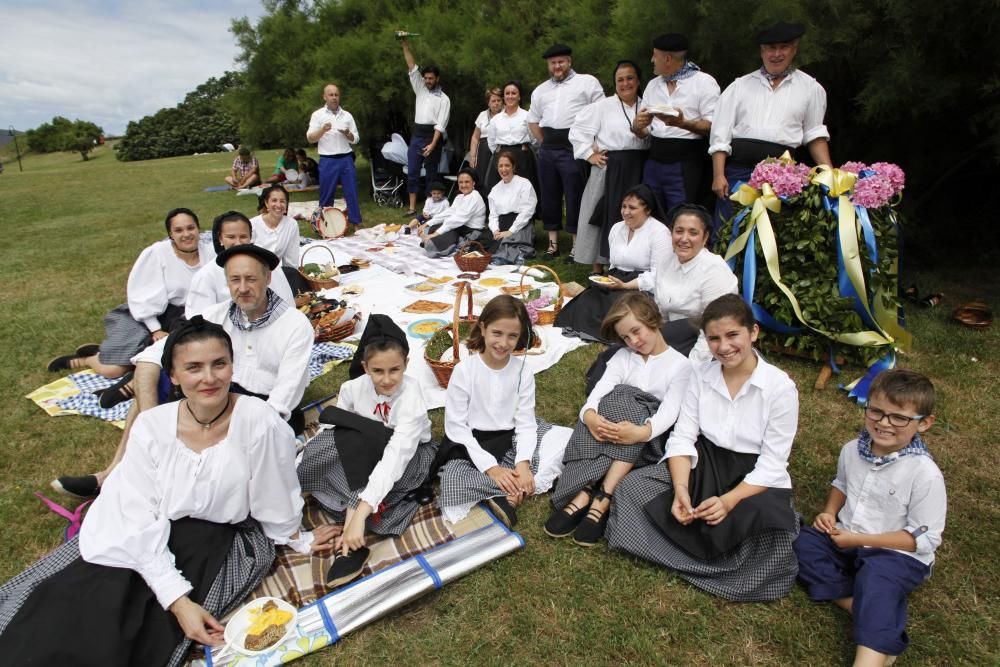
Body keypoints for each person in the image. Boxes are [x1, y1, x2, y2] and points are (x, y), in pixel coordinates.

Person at [2, 319, 338, 665]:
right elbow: (131, 509)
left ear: (232, 366)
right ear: (174, 376)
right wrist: (177, 599)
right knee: (66, 607)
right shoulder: (152, 426)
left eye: (218, 364)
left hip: (205, 545)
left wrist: (298, 539)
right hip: (135, 538)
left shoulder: (259, 420)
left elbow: (274, 492)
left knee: (125, 634)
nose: (209, 378)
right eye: (193, 367)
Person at [51, 244, 314, 500]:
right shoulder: (216, 315)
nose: (242, 288)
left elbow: (283, 400)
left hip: (262, 410)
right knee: (151, 381)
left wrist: (236, 432)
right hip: (217, 394)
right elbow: (152, 355)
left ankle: (142, 480)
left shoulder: (295, 325)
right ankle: (115, 472)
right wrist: (153, 423)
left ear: (268, 278)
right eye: (234, 279)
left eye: (250, 279)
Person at [607, 294, 801, 602]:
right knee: (632, 488)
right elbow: (683, 437)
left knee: (772, 535)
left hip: (751, 478)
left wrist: (728, 501)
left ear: (753, 332)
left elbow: (773, 463)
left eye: (732, 335)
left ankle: (688, 558)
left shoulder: (780, 388)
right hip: (704, 463)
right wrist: (681, 489)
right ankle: (707, 564)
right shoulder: (700, 375)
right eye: (714, 338)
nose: (723, 347)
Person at [794, 370, 944, 666]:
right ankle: (861, 607)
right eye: (876, 411)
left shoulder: (924, 474)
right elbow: (841, 484)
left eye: (899, 417)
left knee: (877, 578)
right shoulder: (853, 450)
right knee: (794, 540)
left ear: (924, 423)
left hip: (896, 554)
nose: (884, 423)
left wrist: (860, 539)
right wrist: (829, 512)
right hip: (846, 538)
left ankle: (870, 656)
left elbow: (923, 539)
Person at [298, 315, 438, 587]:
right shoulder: (351, 388)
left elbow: (396, 455)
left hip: (409, 457)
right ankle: (315, 503)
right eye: (377, 371)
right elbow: (333, 432)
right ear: (364, 367)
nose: (386, 380)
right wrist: (304, 460)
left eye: (394, 370)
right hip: (360, 452)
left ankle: (351, 533)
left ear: (406, 365)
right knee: (330, 445)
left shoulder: (411, 396)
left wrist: (360, 510)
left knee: (375, 454)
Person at [545, 293, 692, 547]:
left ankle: (602, 494)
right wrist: (590, 416)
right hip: (608, 433)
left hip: (645, 442)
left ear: (653, 320)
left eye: (637, 331)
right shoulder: (623, 357)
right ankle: (587, 490)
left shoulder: (680, 366)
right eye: (626, 337)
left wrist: (642, 432)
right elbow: (599, 392)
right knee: (613, 399)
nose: (633, 341)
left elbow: (669, 412)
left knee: (633, 403)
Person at [47, 208, 214, 380]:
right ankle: (87, 360)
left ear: (198, 229)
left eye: (190, 228)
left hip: (188, 319)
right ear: (170, 234)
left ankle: (104, 350)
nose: (186, 234)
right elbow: (143, 293)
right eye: (179, 230)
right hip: (152, 316)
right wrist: (155, 329)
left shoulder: (210, 252)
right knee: (114, 371)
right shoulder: (157, 253)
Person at [710, 22, 832, 234]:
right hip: (737, 174)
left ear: (794, 49)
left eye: (783, 47)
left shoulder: (811, 88)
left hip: (783, 177)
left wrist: (830, 174)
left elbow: (815, 135)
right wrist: (718, 175)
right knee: (727, 231)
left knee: (773, 237)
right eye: (770, 48)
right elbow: (720, 135)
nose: (776, 54)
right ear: (762, 51)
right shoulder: (739, 86)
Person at [435, 295, 545, 528]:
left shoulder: (524, 372)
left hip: (508, 437)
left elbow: (525, 423)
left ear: (520, 337)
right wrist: (491, 469)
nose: (503, 343)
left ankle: (511, 487)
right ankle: (512, 491)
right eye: (497, 333)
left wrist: (523, 463)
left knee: (551, 446)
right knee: (452, 481)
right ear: (483, 328)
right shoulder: (465, 371)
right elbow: (456, 427)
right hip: (470, 442)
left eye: (512, 336)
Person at [611, 204, 736, 360]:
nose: (684, 239)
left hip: (706, 339)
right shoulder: (667, 261)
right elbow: (660, 312)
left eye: (693, 233)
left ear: (705, 238)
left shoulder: (714, 270)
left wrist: (693, 367)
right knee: (620, 353)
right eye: (679, 231)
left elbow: (716, 326)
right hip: (674, 332)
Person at [554, 184, 669, 342]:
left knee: (617, 305)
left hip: (641, 285)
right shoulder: (616, 228)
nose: (626, 212)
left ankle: (605, 332)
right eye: (624, 206)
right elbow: (614, 264)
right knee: (588, 299)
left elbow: (659, 276)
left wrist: (625, 286)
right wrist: (607, 280)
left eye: (632, 208)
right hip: (615, 279)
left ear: (647, 210)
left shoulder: (660, 233)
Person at [571, 60, 651, 273]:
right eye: (620, 80)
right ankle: (598, 268)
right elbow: (578, 132)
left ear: (638, 80)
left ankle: (631, 266)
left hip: (639, 167)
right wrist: (590, 155)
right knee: (603, 214)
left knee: (636, 214)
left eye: (630, 78)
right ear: (614, 83)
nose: (625, 83)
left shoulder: (647, 106)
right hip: (609, 166)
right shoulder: (602, 107)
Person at [527, 44, 604, 258]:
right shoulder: (541, 90)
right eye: (553, 63)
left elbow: (601, 112)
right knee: (549, 195)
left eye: (561, 62)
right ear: (548, 65)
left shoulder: (587, 83)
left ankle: (575, 245)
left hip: (574, 148)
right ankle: (553, 244)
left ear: (569, 61)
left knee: (574, 196)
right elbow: (532, 120)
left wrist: (592, 144)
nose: (557, 66)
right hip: (548, 148)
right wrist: (544, 143)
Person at [632, 33, 719, 213]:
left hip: (684, 162)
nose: (651, 60)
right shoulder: (653, 85)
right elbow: (644, 131)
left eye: (655, 55)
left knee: (681, 213)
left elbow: (712, 127)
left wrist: (682, 123)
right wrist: (637, 127)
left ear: (668, 59)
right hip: (654, 160)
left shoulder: (703, 83)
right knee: (648, 210)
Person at [185, 211, 294, 318]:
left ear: (250, 237)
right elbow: (199, 318)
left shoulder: (265, 265)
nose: (238, 243)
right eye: (231, 237)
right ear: (220, 239)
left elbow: (286, 303)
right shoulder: (206, 276)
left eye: (243, 237)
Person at [400, 36, 451, 216]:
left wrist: (433, 144)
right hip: (417, 134)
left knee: (431, 174)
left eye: (431, 78)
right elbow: (412, 67)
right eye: (426, 78)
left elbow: (440, 125)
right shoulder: (420, 89)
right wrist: (405, 44)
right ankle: (412, 207)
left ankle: (431, 209)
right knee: (413, 170)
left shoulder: (444, 99)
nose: (427, 80)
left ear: (437, 78)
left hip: (433, 137)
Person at [306, 83, 363, 226]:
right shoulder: (318, 115)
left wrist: (348, 134)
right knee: (326, 193)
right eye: (331, 95)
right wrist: (322, 130)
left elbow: (356, 139)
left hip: (346, 158)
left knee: (351, 192)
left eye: (336, 95)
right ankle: (325, 225)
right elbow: (310, 138)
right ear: (324, 97)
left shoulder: (347, 116)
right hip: (327, 159)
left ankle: (356, 223)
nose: (334, 98)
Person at [485, 80, 539, 197]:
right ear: (503, 97)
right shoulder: (496, 119)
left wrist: (523, 149)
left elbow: (534, 139)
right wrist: (500, 153)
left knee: (524, 193)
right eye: (507, 93)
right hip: (501, 157)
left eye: (514, 93)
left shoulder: (527, 116)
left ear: (519, 96)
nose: (510, 96)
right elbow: (491, 143)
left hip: (523, 157)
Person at [420, 168, 489, 258]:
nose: (463, 185)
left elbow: (457, 220)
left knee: (443, 232)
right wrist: (427, 223)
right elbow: (448, 213)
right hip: (459, 228)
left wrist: (435, 234)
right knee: (432, 227)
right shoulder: (459, 197)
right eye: (461, 182)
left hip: (471, 233)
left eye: (467, 182)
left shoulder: (475, 197)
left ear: (473, 183)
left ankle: (454, 244)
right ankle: (438, 241)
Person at [485, 150, 538, 265]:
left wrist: (511, 231)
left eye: (507, 165)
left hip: (520, 225)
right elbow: (493, 215)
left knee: (507, 246)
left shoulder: (524, 184)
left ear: (513, 167)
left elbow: (527, 211)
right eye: (501, 166)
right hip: (501, 225)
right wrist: (495, 231)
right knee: (481, 245)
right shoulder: (495, 189)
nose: (503, 169)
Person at [250, 184, 300, 269]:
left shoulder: (291, 224)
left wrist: (291, 276)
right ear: (266, 203)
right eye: (274, 200)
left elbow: (291, 260)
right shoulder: (252, 224)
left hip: (275, 272)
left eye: (282, 201)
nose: (278, 205)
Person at [470, 87, 502, 184]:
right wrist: (473, 156)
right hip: (483, 151)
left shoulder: (506, 114)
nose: (496, 103)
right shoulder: (482, 115)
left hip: (500, 149)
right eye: (493, 101)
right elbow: (475, 138)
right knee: (482, 179)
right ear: (488, 102)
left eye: (499, 100)